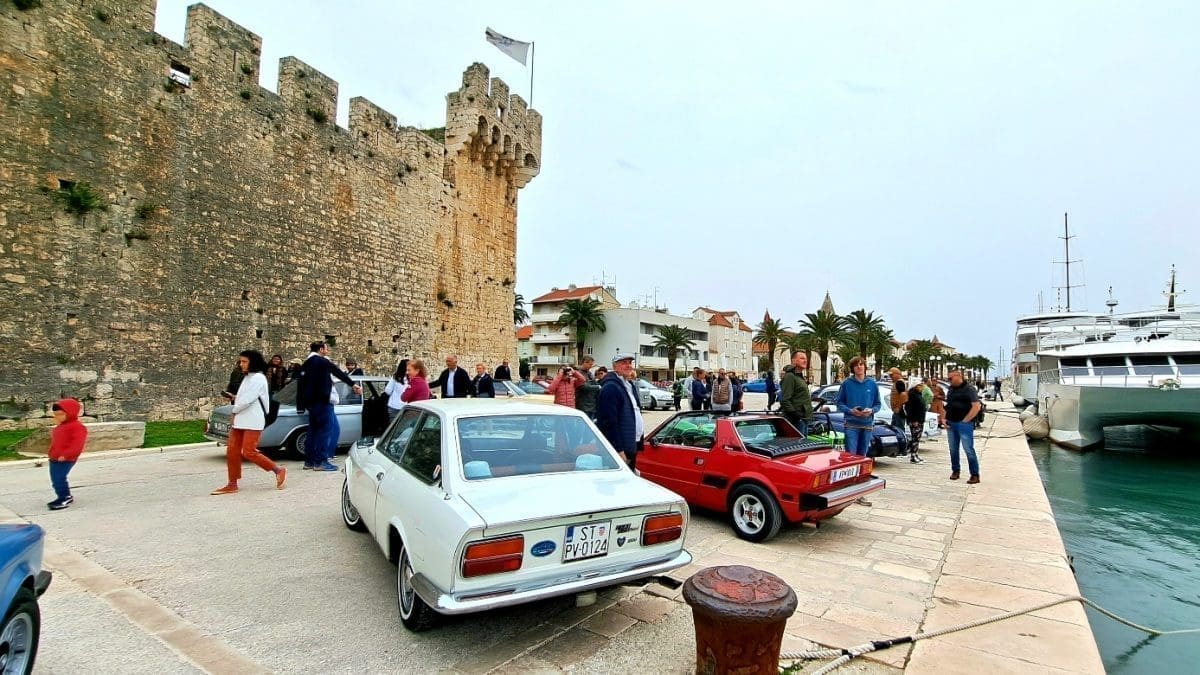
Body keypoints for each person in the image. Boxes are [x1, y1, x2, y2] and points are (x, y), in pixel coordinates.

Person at [212, 350, 287, 494]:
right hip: (241, 418)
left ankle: (278, 470)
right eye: (240, 361)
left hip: (253, 419)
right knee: (232, 451)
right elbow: (244, 398)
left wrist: (234, 411)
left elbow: (247, 400)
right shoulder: (247, 377)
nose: (241, 364)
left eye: (244, 361)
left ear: (253, 362)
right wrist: (234, 399)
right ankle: (232, 483)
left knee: (249, 452)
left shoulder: (258, 378)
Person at [295, 341, 360, 472]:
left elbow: (300, 384)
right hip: (323, 401)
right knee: (325, 432)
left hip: (311, 404)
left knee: (313, 432)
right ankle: (321, 462)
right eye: (326, 348)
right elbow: (337, 372)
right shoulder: (322, 362)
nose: (327, 350)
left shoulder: (306, 363)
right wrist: (352, 384)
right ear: (321, 349)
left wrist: (300, 405)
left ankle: (309, 461)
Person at [835, 356, 880, 506]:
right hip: (851, 425)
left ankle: (860, 491)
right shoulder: (847, 384)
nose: (859, 367)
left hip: (867, 425)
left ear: (865, 367)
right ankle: (849, 489)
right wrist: (850, 411)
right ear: (852, 368)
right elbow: (839, 403)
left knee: (862, 457)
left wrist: (871, 410)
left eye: (861, 364)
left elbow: (878, 404)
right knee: (851, 457)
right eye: (856, 365)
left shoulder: (872, 384)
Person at [597, 354, 641, 468]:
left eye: (630, 363)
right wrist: (618, 449)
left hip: (630, 444)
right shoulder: (611, 387)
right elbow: (608, 422)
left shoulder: (629, 385)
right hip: (620, 449)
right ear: (615, 366)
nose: (628, 366)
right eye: (624, 363)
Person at [941, 368, 982, 483]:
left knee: (968, 449)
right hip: (951, 422)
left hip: (964, 424)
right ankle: (955, 470)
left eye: (951, 378)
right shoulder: (950, 389)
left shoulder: (969, 389)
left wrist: (966, 420)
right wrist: (944, 418)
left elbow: (976, 406)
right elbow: (947, 405)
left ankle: (974, 474)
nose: (949, 380)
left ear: (959, 376)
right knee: (953, 449)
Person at [46, 398, 87, 510]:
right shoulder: (60, 427)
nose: (57, 417)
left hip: (66, 459)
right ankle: (62, 495)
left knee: (59, 478)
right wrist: (51, 452)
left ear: (70, 413)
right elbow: (56, 442)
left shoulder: (77, 427)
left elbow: (77, 444)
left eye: (60, 414)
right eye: (55, 414)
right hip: (55, 458)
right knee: (55, 479)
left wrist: (67, 455)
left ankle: (65, 497)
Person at [779, 352, 813, 435]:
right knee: (798, 445)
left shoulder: (799, 377)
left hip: (804, 418)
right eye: (802, 358)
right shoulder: (790, 376)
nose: (805, 360)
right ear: (793, 361)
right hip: (796, 421)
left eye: (806, 358)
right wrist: (795, 416)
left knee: (804, 445)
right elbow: (785, 399)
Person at [903, 382, 927, 464]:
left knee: (918, 438)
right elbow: (909, 409)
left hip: (920, 419)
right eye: (919, 385)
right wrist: (913, 420)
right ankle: (913, 456)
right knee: (915, 438)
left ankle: (916, 454)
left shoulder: (919, 394)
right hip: (915, 420)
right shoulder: (912, 395)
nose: (922, 387)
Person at [887, 367, 909, 453]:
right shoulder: (898, 382)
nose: (890, 377)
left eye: (892, 375)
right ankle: (898, 449)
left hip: (899, 411)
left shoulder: (899, 382)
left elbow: (903, 395)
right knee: (895, 429)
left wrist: (898, 407)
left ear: (897, 374)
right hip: (897, 411)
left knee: (899, 430)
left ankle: (902, 450)